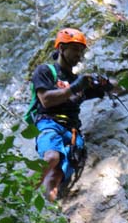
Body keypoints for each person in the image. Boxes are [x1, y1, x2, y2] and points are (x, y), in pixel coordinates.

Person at [29, 28, 113, 201]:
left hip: (72, 132)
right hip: (49, 122)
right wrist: (75, 87)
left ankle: (46, 215)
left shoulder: (80, 81)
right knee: (51, 157)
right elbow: (45, 100)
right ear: (61, 48)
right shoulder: (45, 71)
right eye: (75, 49)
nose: (79, 55)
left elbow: (120, 88)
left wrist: (107, 83)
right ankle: (20, 195)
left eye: (81, 51)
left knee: (56, 176)